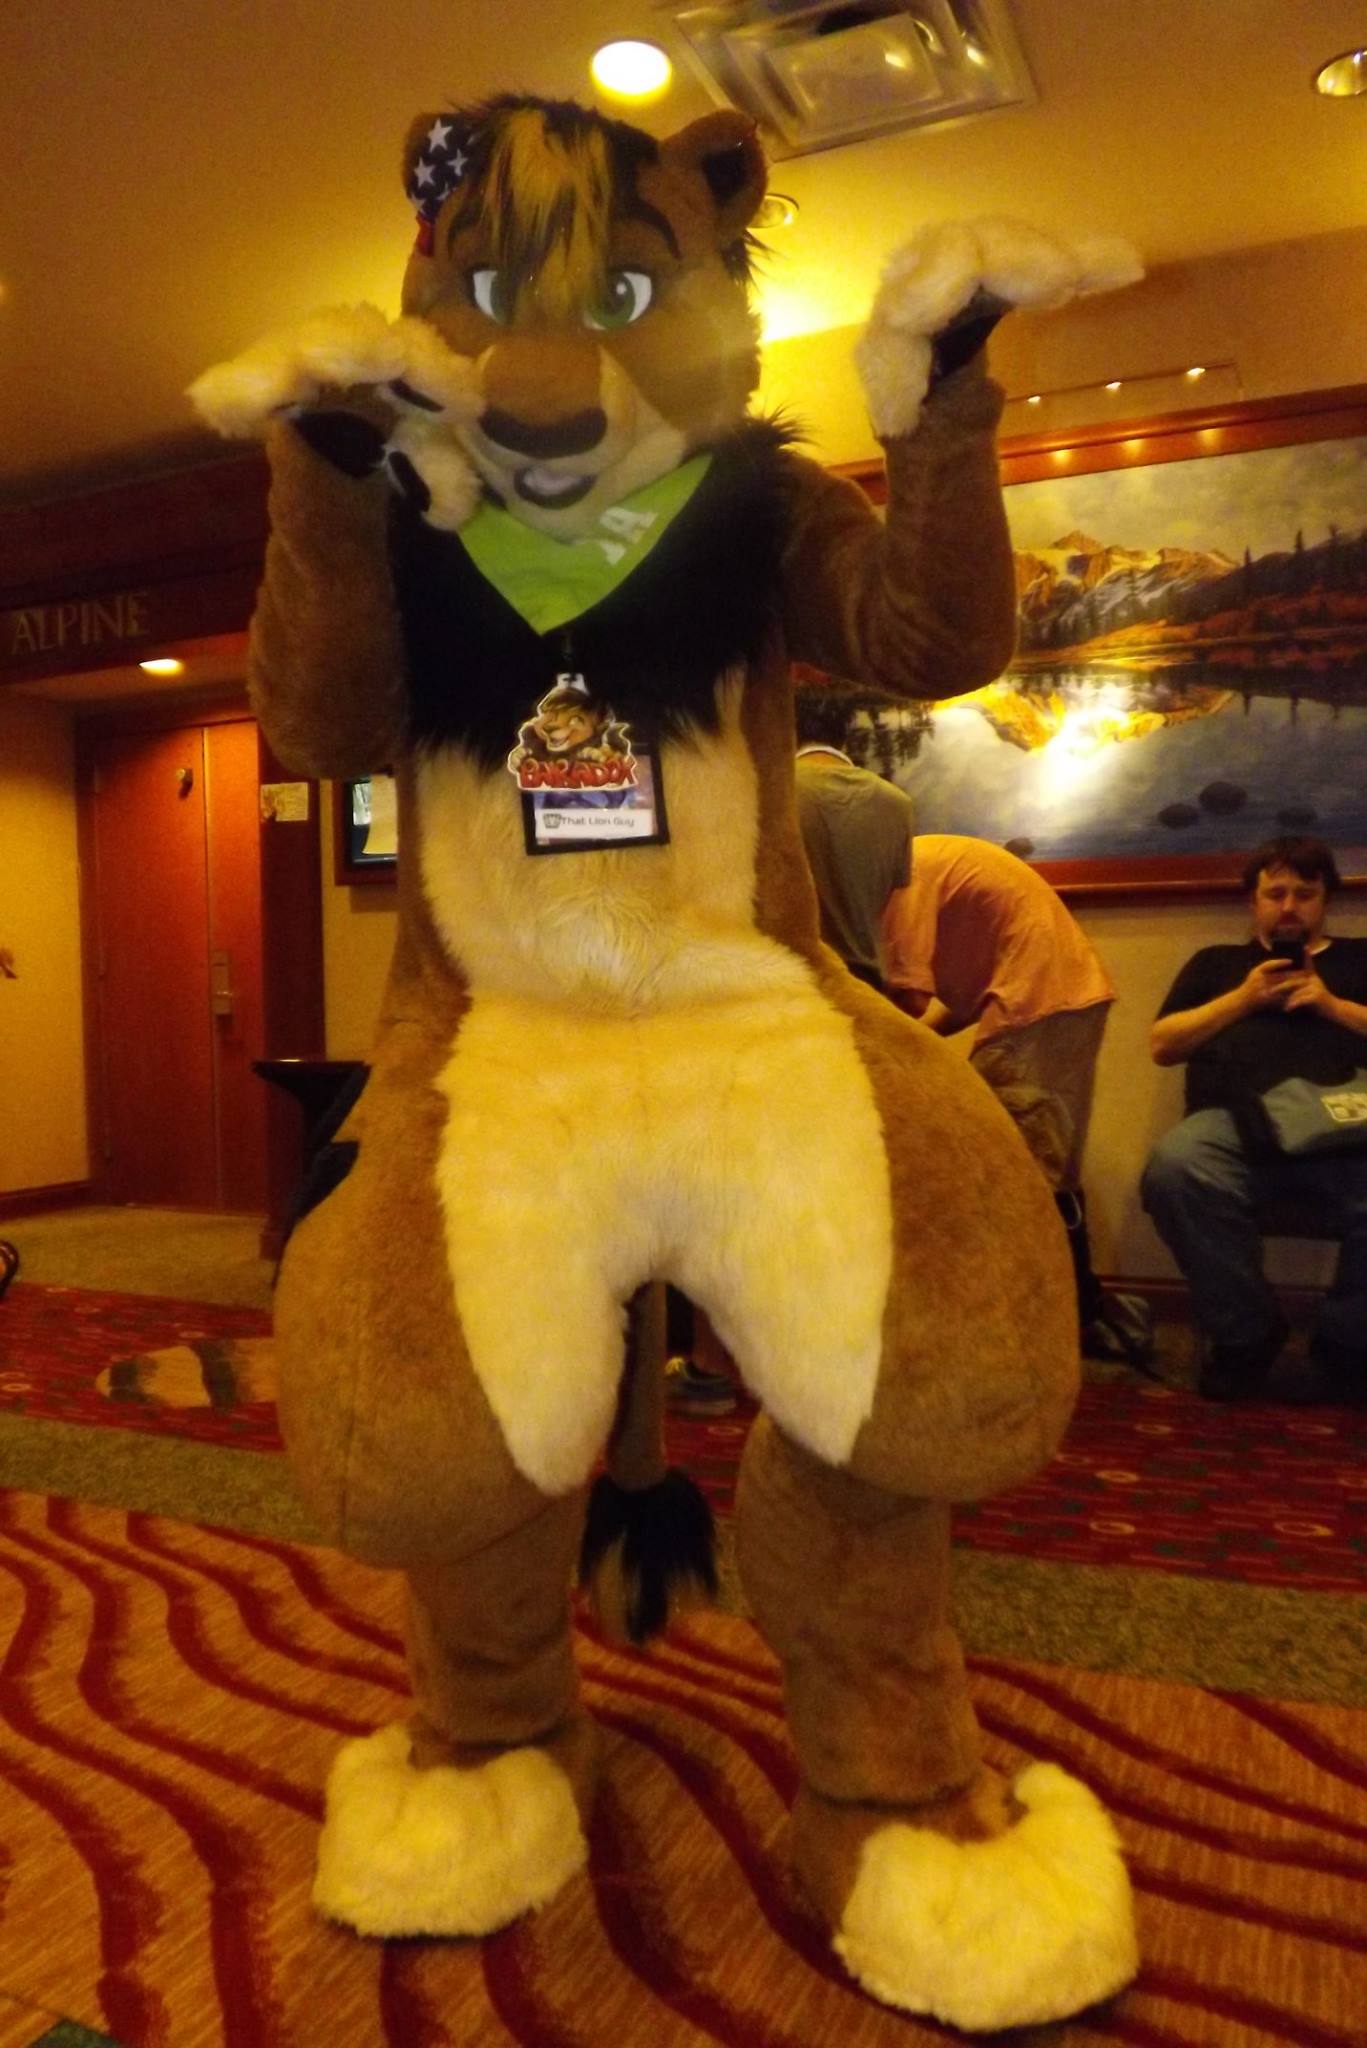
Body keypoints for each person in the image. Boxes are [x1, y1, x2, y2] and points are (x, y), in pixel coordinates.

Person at [876, 832, 1152, 1365]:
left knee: (1012, 1176)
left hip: (1037, 1003)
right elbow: (956, 1001)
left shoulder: (903, 874)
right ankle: (1078, 1315)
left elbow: (906, 998)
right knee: (1042, 1169)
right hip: (1059, 997)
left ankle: (1037, 1331)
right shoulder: (930, 862)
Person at [1141, 835, 1367, 1402]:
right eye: (1276, 893)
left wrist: (1331, 1005)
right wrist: (1243, 998)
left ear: (1325, 901)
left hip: (1345, 1129)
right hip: (1234, 1129)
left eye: (1305, 894)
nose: (1289, 906)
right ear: (1253, 901)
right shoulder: (1215, 963)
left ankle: (1348, 1343)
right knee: (1174, 1168)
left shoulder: (1360, 958)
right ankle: (1247, 1334)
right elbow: (1163, 1045)